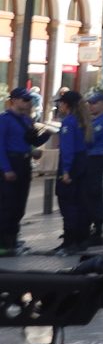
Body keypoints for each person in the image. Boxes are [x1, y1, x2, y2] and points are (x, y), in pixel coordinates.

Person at [54, 88, 103, 252]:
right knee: (80, 202)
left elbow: (67, 149)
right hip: (83, 164)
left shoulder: (69, 122)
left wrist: (65, 170)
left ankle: (71, 241)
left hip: (74, 166)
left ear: (65, 104)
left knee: (68, 203)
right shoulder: (84, 121)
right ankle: (80, 239)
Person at [0, 87, 35, 256]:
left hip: (24, 162)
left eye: (28, 99)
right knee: (7, 205)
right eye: (24, 99)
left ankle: (13, 240)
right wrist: (6, 168)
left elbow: (27, 141)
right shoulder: (4, 120)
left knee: (19, 205)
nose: (27, 102)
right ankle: (3, 243)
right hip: (11, 163)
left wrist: (33, 151)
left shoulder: (26, 120)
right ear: (13, 100)